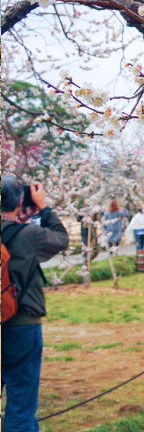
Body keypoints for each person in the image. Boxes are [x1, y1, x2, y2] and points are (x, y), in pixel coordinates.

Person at [2, 175, 70, 431]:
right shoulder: (29, 234)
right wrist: (43, 208)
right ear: (20, 201)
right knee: (21, 402)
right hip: (21, 324)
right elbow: (61, 238)